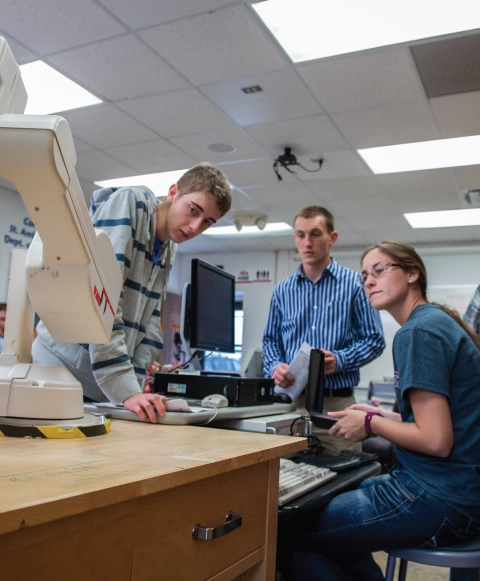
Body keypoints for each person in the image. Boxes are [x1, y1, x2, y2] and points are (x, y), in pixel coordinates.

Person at [277, 240, 480, 581]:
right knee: (340, 522)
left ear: (413, 273)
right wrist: (383, 418)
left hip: (435, 498)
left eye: (380, 270)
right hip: (458, 494)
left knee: (287, 531)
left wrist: (371, 423)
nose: (369, 281)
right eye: (364, 275)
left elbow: (436, 440)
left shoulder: (419, 331)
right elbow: (437, 423)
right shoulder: (435, 322)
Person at [32, 163, 232, 423]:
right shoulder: (132, 203)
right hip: (62, 371)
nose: (195, 227)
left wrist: (133, 391)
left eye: (207, 222)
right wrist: (123, 387)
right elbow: (102, 300)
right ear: (173, 192)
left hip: (101, 385)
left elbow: (151, 324)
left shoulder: (169, 245)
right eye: (193, 210)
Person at [262, 206, 385, 452]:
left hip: (336, 404)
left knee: (341, 480)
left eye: (315, 234)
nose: (307, 242)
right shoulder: (282, 290)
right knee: (285, 478)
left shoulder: (355, 285)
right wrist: (274, 366)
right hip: (290, 403)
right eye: (300, 235)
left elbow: (374, 339)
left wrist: (340, 360)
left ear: (332, 237)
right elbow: (270, 341)